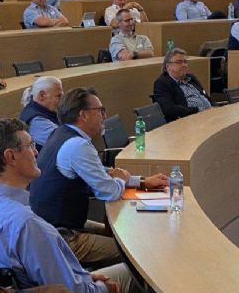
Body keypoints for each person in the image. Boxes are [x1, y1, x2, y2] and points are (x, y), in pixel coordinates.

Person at [0, 118, 140, 293]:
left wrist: (85, 277)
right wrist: (102, 287)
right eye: (30, 146)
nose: (36, 152)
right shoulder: (27, 226)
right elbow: (69, 290)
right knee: (139, 269)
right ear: (11, 157)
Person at [29, 88, 168, 273]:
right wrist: (121, 179)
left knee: (123, 237)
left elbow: (101, 173)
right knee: (139, 252)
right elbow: (109, 192)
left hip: (52, 228)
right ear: (83, 115)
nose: (105, 116)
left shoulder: (61, 134)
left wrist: (141, 181)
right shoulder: (78, 145)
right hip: (62, 239)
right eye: (100, 110)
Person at [153, 48, 213, 122]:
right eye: (179, 62)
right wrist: (199, 110)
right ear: (168, 66)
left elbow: (205, 95)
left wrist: (214, 106)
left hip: (209, 115)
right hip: (189, 120)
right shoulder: (162, 83)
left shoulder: (191, 77)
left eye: (185, 62)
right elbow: (169, 109)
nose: (184, 65)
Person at [19, 76, 63, 150]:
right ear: (42, 95)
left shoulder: (37, 110)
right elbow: (66, 142)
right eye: (58, 96)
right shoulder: (37, 121)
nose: (61, 100)